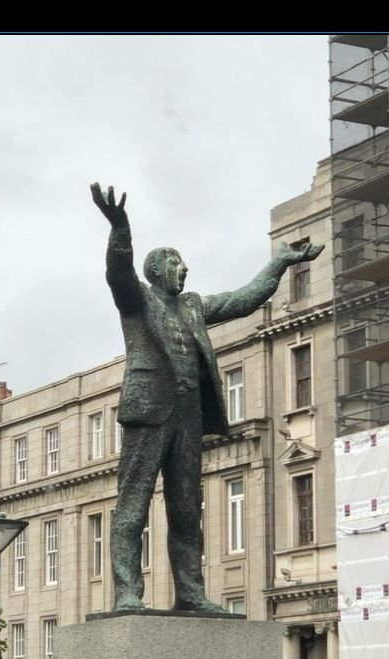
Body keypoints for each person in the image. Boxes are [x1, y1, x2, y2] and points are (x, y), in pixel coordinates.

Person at [91, 182, 324, 614]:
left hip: (188, 417)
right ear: (158, 271)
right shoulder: (137, 299)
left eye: (184, 265)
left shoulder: (194, 306)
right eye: (177, 265)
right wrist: (120, 226)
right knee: (133, 505)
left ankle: (191, 593)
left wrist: (279, 264)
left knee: (186, 509)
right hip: (149, 412)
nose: (185, 271)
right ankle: (127, 591)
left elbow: (242, 300)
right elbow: (118, 272)